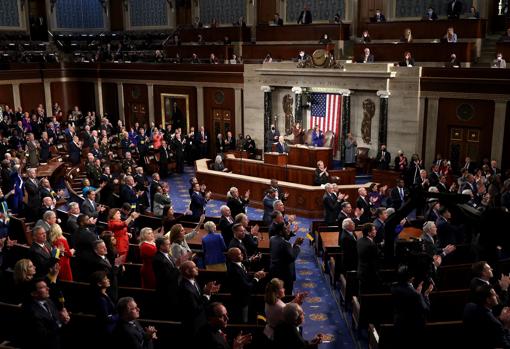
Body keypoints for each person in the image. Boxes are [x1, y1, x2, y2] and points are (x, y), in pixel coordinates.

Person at [21, 278, 71, 349]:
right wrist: (60, 321)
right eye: (42, 287)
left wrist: (64, 318)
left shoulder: (49, 301)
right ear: (33, 293)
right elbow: (42, 335)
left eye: (46, 286)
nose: (48, 288)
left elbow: (55, 320)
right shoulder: (31, 311)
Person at [391, 265, 433, 349]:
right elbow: (426, 310)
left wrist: (416, 292)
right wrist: (425, 295)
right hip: (412, 330)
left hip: (398, 325)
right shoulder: (416, 295)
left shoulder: (393, 288)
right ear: (411, 278)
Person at [178, 260, 220, 336]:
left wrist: (208, 292)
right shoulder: (185, 288)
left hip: (201, 321)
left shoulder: (193, 280)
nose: (197, 268)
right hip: (194, 325)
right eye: (194, 267)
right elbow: (196, 309)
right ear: (187, 271)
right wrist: (206, 295)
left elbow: (199, 299)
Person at [226, 247, 267, 323]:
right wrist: (256, 278)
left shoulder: (237, 263)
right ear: (233, 257)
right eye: (239, 254)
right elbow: (247, 287)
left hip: (245, 299)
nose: (242, 254)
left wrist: (252, 263)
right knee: (243, 321)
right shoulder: (234, 271)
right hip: (241, 301)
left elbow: (244, 265)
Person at [463, 284, 510, 348]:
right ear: (488, 300)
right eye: (494, 295)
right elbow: (506, 345)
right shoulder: (496, 324)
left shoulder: (469, 306)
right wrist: (506, 326)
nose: (497, 296)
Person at [269, 221, 304, 295]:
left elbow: (283, 251)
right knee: (287, 294)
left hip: (274, 270)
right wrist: (297, 246)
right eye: (285, 229)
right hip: (285, 274)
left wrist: (293, 246)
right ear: (281, 232)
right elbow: (292, 257)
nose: (287, 230)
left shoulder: (272, 239)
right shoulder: (286, 244)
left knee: (276, 292)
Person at [152, 236, 180, 319]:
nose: (170, 245)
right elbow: (167, 277)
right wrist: (177, 267)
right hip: (166, 291)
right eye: (168, 244)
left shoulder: (168, 255)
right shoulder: (158, 259)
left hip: (173, 289)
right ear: (161, 246)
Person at [90, 271, 117, 348]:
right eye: (105, 279)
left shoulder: (105, 294)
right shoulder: (101, 299)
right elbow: (106, 319)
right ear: (99, 284)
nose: (108, 280)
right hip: (107, 331)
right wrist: (119, 316)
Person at [357, 223, 381, 293]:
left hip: (361, 271)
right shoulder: (371, 245)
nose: (376, 231)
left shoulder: (360, 240)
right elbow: (376, 259)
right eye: (374, 230)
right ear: (369, 233)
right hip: (369, 275)